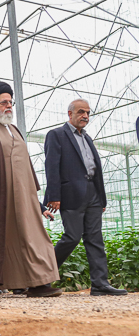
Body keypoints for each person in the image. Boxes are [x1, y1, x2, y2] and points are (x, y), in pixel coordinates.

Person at [0, 82, 61, 297]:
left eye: (10, 103)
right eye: (4, 103)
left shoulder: (14, 130)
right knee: (5, 239)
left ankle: (38, 282)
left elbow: (26, 166)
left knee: (32, 235)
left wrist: (38, 204)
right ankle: (11, 283)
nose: (9, 106)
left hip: (24, 197)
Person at [44, 99, 127, 296]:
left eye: (88, 113)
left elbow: (95, 169)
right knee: (72, 237)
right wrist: (54, 195)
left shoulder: (87, 138)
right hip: (71, 194)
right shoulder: (57, 135)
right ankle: (41, 277)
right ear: (70, 113)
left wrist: (101, 199)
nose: (85, 116)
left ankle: (100, 284)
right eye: (81, 112)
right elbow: (51, 166)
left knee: (95, 239)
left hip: (93, 193)